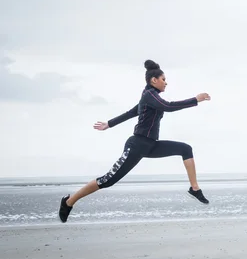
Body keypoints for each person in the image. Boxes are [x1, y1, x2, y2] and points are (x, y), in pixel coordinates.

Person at [58, 59, 211, 223]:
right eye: (164, 79)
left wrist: (109, 123)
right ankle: (68, 202)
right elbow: (169, 106)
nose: (166, 83)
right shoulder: (150, 95)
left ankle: (194, 189)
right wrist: (195, 99)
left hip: (151, 145)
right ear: (154, 80)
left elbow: (132, 112)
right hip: (137, 145)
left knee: (185, 149)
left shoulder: (149, 96)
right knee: (108, 180)